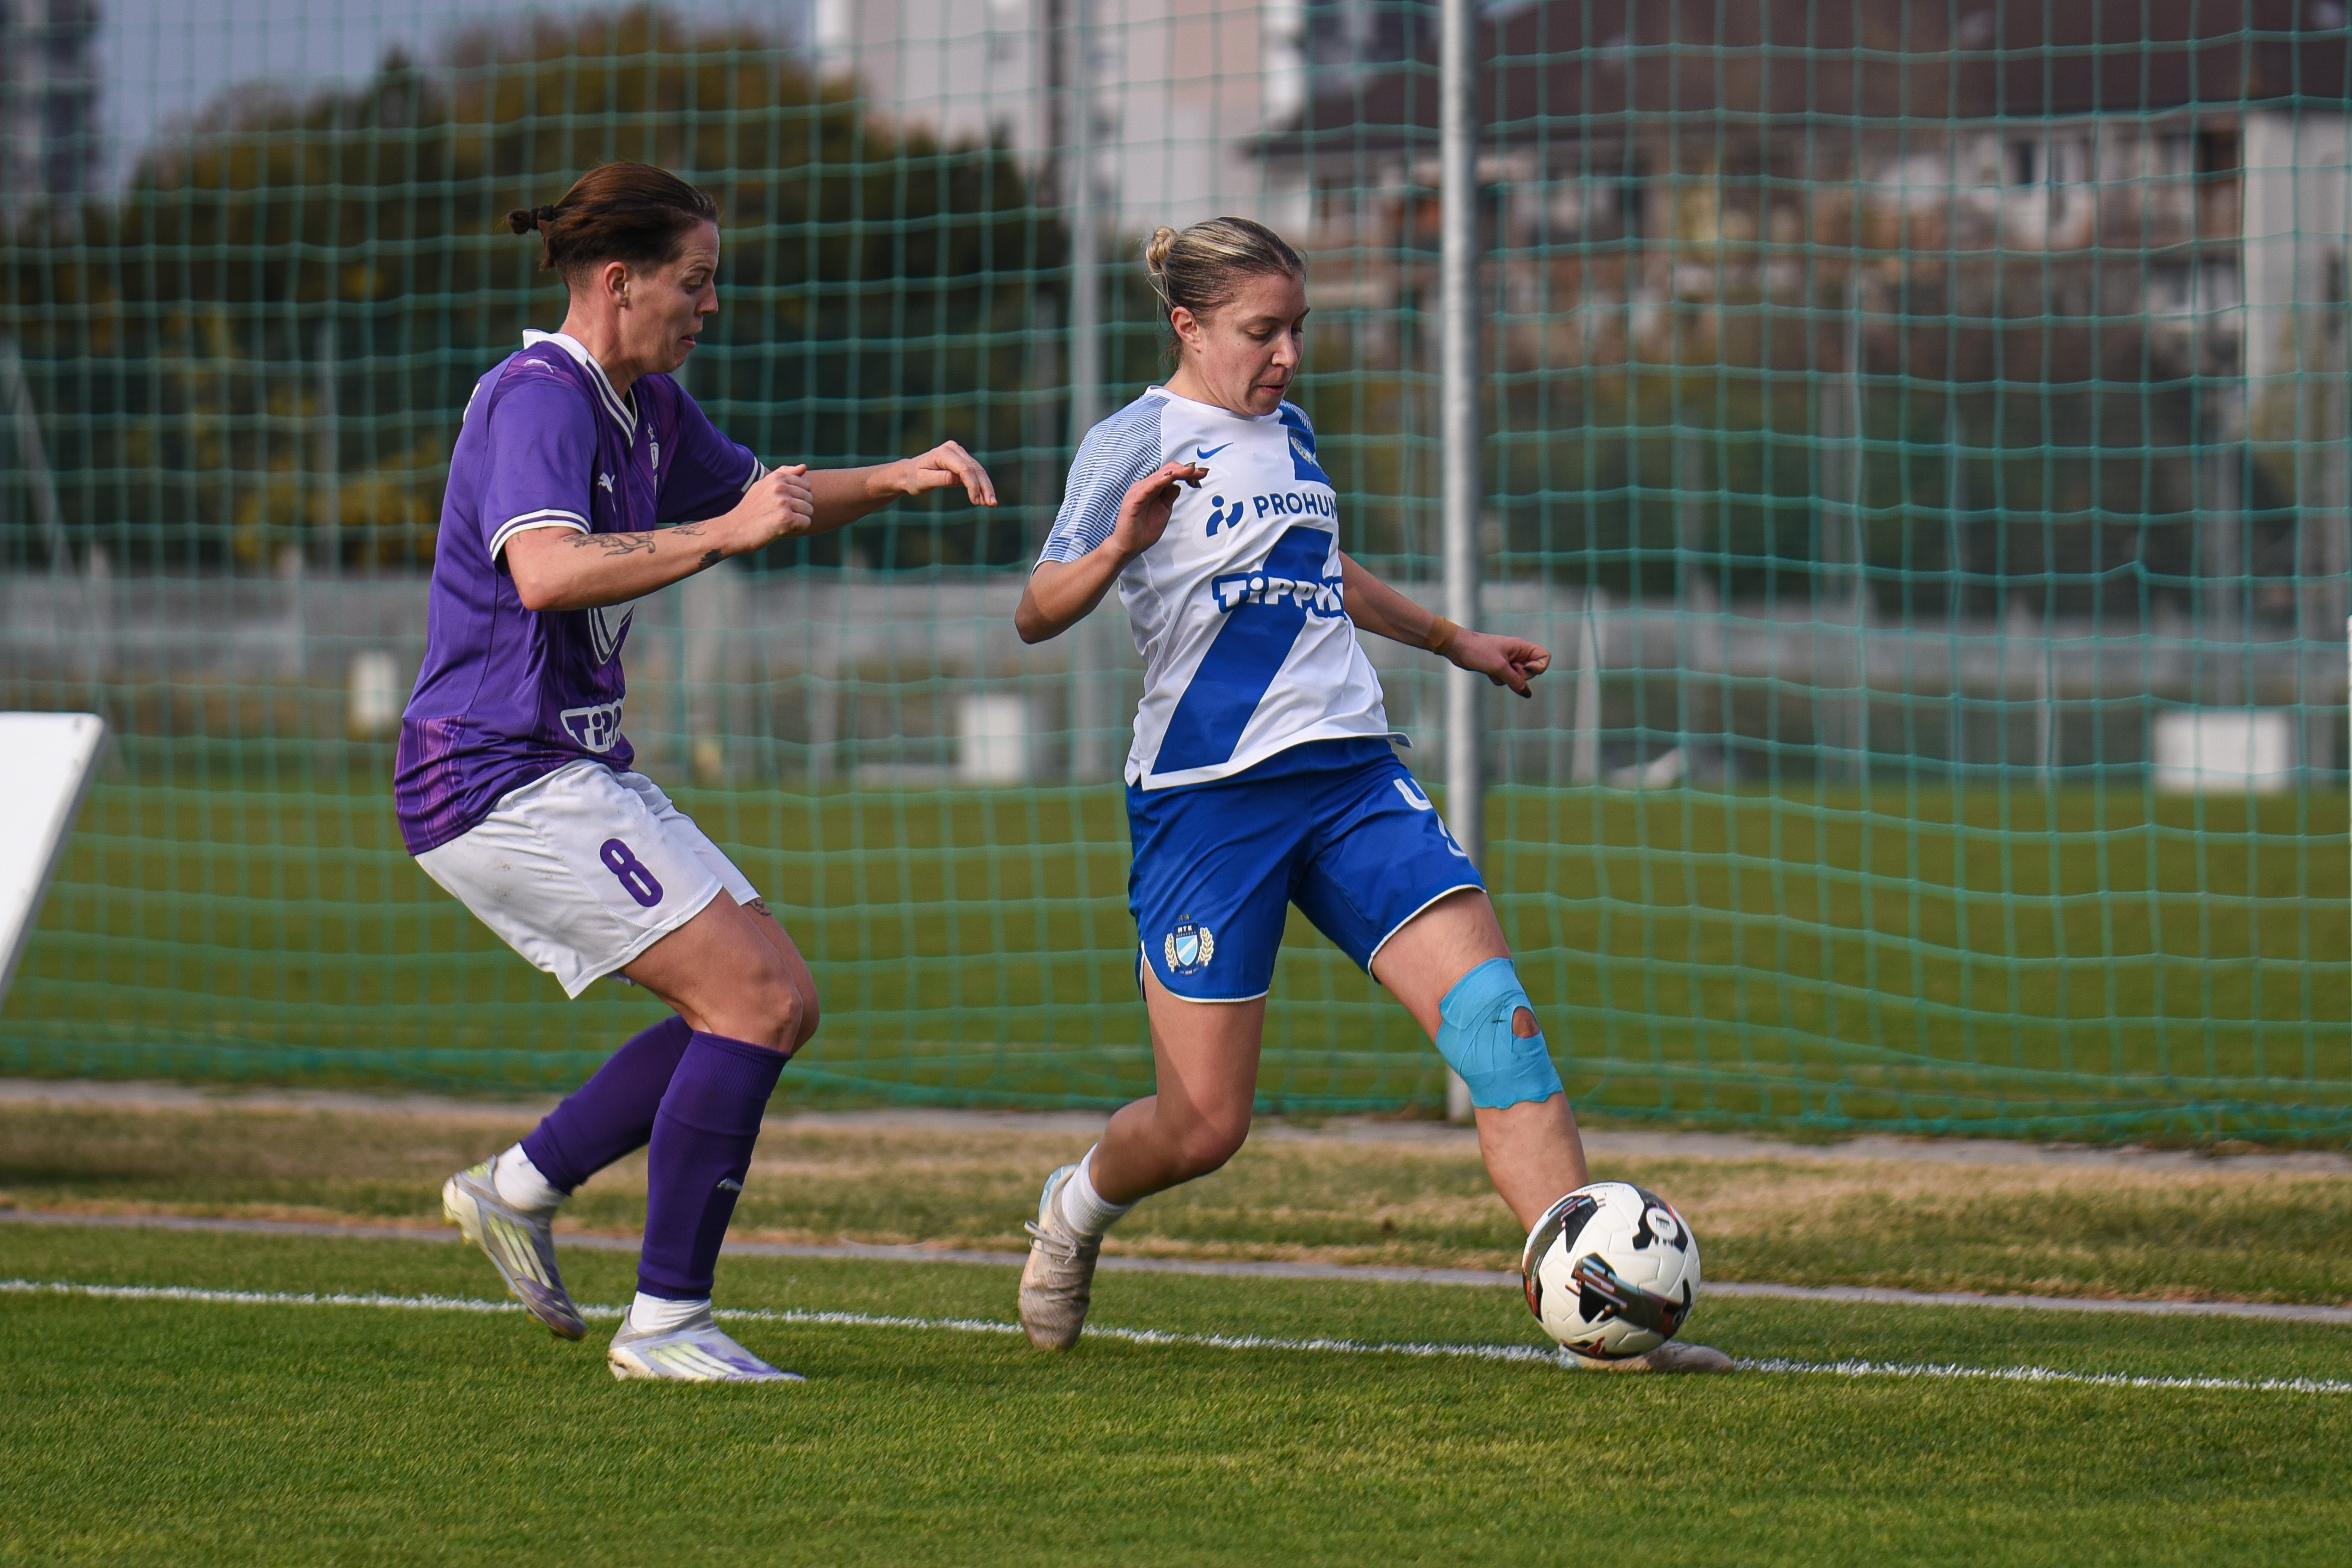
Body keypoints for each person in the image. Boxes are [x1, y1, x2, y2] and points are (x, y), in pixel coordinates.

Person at [1011, 217, 1728, 1373]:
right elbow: (1038, 606)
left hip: (1352, 779)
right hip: (1209, 806)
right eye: (1262, 332)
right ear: (1188, 326)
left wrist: (1455, 640)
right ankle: (1075, 1208)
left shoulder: (1290, 431)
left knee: (1503, 1035)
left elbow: (1320, 566)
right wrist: (1119, 544)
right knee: (1204, 1126)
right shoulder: (1129, 441)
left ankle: (1611, 1337)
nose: (1287, 354)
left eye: (1298, 329)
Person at [397, 162, 996, 1383]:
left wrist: (892, 476)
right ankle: (665, 1322)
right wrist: (725, 534)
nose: (709, 305)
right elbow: (550, 573)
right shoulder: (538, 398)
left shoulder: (651, 408)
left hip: (568, 764)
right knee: (758, 1002)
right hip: (492, 773)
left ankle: (517, 1187)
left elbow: (769, 500)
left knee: (769, 998)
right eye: (695, 280)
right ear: (619, 283)